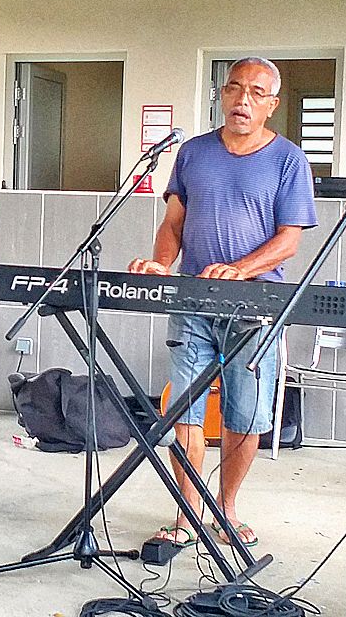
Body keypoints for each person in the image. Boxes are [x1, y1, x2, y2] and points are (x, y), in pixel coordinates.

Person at [129, 57, 317, 550]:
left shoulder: (289, 160)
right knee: (184, 411)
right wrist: (162, 264)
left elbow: (289, 241)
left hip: (255, 306)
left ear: (272, 105)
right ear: (222, 94)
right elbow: (173, 224)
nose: (243, 100)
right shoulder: (192, 153)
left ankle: (226, 508)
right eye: (234, 88)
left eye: (256, 92)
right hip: (191, 298)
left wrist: (242, 269)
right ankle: (187, 513)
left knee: (244, 413)